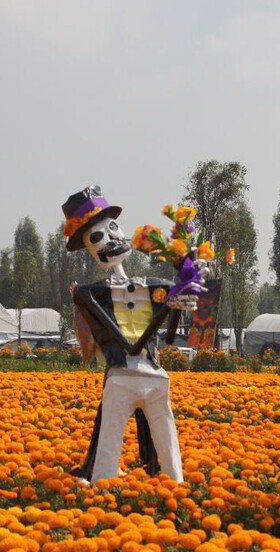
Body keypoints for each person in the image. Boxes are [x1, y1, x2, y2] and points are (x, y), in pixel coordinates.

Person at [62, 185, 203, 483]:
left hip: (153, 373)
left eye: (113, 228)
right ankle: (103, 478)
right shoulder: (94, 293)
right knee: (110, 440)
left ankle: (169, 480)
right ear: (89, 248)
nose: (111, 238)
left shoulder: (151, 285)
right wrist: (80, 302)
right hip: (120, 375)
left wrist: (186, 284)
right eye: (97, 237)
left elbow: (178, 303)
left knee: (166, 441)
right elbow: (88, 338)